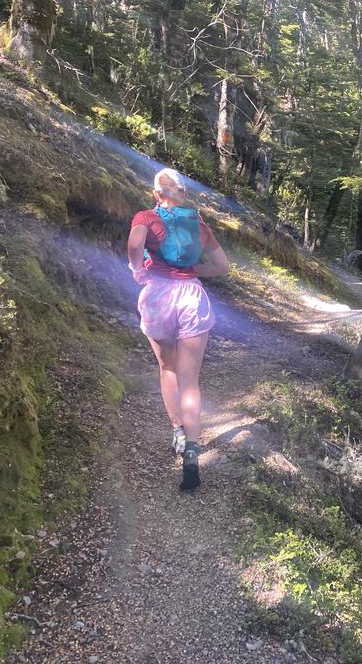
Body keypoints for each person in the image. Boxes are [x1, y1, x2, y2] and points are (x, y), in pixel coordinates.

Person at [126, 168, 230, 491]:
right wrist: (193, 270)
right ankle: (193, 452)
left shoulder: (145, 216)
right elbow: (223, 266)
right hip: (191, 298)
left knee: (167, 368)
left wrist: (136, 268)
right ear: (183, 194)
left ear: (158, 194)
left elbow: (134, 244)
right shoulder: (197, 225)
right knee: (191, 380)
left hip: (157, 295)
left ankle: (177, 432)